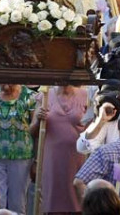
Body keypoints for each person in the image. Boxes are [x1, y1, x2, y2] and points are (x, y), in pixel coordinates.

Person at [0, 84, 36, 213]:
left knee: (18, 202)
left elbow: (35, 130)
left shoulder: (29, 97)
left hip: (21, 157)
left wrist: (36, 160)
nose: (5, 85)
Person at [34, 85, 87, 214]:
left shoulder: (86, 95)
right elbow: (32, 131)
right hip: (53, 159)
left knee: (78, 200)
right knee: (54, 201)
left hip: (77, 158)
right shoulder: (45, 95)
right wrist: (37, 119)